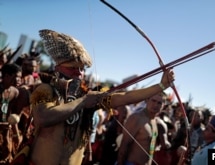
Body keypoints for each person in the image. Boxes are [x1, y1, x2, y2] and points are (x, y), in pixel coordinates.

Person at [27, 29, 175, 165]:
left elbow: (125, 97)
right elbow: (43, 118)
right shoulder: (46, 90)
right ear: (57, 68)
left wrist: (161, 86)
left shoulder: (90, 98)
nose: (78, 73)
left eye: (82, 69)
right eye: (73, 68)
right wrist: (83, 101)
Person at [117, 92, 171, 165]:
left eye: (159, 103)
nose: (155, 105)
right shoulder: (136, 118)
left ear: (163, 106)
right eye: (153, 101)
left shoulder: (157, 122)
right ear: (147, 100)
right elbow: (124, 144)